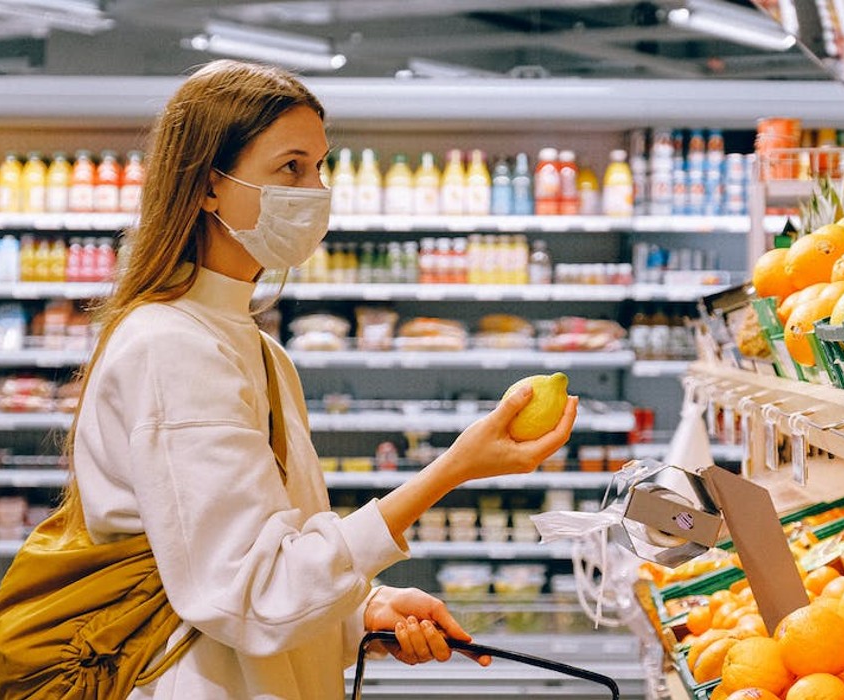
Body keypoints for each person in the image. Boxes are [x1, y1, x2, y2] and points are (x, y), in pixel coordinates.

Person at [60, 59, 579, 698]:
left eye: (319, 167)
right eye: (290, 168)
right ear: (207, 187)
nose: (313, 191)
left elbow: (276, 563)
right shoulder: (171, 347)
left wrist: (361, 611)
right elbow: (250, 594)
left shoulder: (258, 350)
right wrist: (450, 471)